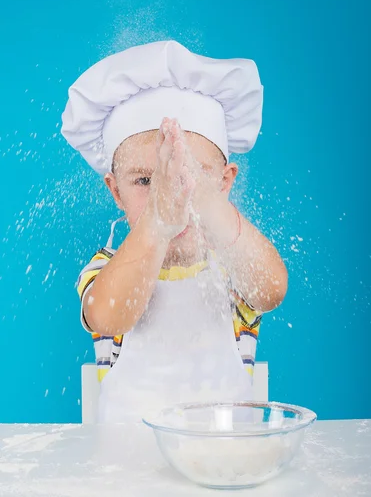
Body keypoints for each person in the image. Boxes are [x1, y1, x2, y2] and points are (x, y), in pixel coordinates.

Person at [62, 40, 288, 423]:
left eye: (193, 175)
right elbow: (109, 316)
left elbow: (271, 289)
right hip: (128, 468)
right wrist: (158, 221)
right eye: (145, 180)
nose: (171, 193)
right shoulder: (106, 267)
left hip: (225, 462)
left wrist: (203, 198)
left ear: (224, 182)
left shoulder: (233, 266)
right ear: (115, 190)